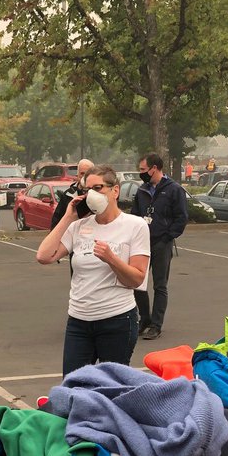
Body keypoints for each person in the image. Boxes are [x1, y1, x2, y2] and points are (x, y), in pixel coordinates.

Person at [37, 165, 150, 375]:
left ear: (115, 190)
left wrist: (111, 259)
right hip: (79, 321)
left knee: (111, 390)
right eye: (86, 189)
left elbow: (137, 278)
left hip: (117, 320)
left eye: (98, 188)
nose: (92, 195)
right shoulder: (79, 226)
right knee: (73, 387)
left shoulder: (135, 225)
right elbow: (44, 256)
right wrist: (68, 217)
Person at [132, 153, 188, 341]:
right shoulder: (142, 191)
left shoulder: (173, 190)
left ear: (153, 168)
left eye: (142, 169)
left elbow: (181, 217)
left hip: (161, 243)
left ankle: (156, 324)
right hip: (142, 243)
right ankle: (144, 319)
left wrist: (167, 237)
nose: (140, 173)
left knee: (160, 285)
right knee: (137, 283)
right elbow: (134, 215)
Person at [50, 158, 94, 228]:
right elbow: (57, 219)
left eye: (88, 174)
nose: (85, 177)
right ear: (77, 175)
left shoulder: (98, 194)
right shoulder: (68, 195)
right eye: (82, 174)